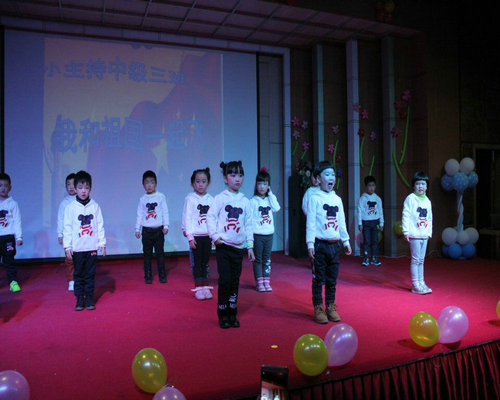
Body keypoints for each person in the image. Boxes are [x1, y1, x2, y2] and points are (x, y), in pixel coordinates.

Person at [207, 161, 255, 329]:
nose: (237, 179)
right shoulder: (220, 198)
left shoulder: (245, 201)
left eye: (240, 175)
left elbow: (248, 224)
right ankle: (222, 312)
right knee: (225, 280)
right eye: (233, 175)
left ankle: (232, 312)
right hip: (223, 247)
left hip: (238, 248)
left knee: (234, 281)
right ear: (225, 178)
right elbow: (210, 217)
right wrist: (214, 236)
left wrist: (250, 245)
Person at [306, 161, 351, 324]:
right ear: (318, 179)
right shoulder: (314, 198)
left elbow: (341, 221)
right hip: (320, 244)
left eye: (333, 174)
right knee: (319, 278)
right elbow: (311, 222)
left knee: (332, 279)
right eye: (327, 174)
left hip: (334, 245)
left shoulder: (337, 199)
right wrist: (310, 243)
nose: (331, 177)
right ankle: (318, 307)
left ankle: (330, 306)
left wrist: (345, 240)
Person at [63, 170, 106, 310]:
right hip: (77, 248)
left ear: (90, 189)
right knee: (78, 274)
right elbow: (67, 228)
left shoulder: (95, 206)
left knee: (90, 275)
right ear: (75, 189)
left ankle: (89, 298)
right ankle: (79, 299)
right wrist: (67, 246)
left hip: (91, 247)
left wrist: (102, 243)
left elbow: (100, 225)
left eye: (86, 188)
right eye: (80, 187)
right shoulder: (70, 208)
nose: (83, 191)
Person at [182, 167, 214, 300]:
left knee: (205, 263)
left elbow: (213, 218)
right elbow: (187, 218)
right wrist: (190, 237)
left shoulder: (211, 199)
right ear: (192, 183)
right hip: (196, 236)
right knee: (197, 263)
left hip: (207, 236)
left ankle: (205, 286)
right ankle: (198, 288)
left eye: (203, 181)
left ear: (208, 183)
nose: (200, 184)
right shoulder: (190, 199)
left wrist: (213, 235)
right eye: (198, 181)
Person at [135, 170, 169, 284]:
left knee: (160, 254)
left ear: (156, 183)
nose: (149, 185)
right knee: (147, 255)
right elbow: (139, 214)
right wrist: (137, 229)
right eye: (147, 182)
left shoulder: (161, 197)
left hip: (158, 230)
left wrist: (166, 226)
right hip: (146, 231)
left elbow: (165, 212)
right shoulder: (142, 199)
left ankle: (162, 275)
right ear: (143, 185)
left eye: (152, 182)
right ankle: (148, 276)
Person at [249, 167, 280, 292]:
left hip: (269, 234)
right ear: (256, 185)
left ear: (268, 186)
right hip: (257, 235)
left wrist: (271, 194)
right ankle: (259, 282)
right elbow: (249, 220)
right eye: (259, 183)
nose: (262, 187)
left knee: (267, 259)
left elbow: (277, 208)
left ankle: (266, 281)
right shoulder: (253, 201)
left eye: (265, 184)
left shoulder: (270, 199)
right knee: (258, 259)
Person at [402, 171, 433, 295]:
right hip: (414, 234)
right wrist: (406, 231)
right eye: (418, 183)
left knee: (421, 260)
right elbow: (406, 215)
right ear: (413, 186)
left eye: (423, 184)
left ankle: (421, 282)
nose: (420, 186)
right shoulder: (410, 198)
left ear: (427, 186)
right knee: (415, 260)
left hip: (424, 234)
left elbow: (429, 218)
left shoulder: (427, 201)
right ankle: (415, 284)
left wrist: (429, 232)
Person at [0, 173, 23, 293]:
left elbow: (17, 221)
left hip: (8, 237)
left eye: (5, 186)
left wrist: (19, 237)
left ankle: (13, 282)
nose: (3, 188)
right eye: (0, 185)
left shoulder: (13, 204)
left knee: (9, 260)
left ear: (10, 188)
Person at [357, 175, 384, 267]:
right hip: (366, 222)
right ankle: (366, 258)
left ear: (375, 186)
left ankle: (374, 258)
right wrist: (360, 223)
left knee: (375, 241)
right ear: (366, 186)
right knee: (367, 241)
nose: (371, 188)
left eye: (373, 185)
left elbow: (380, 211)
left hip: (375, 222)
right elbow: (360, 211)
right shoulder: (363, 198)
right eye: (369, 185)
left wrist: (381, 223)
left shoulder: (378, 198)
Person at [57, 173, 76, 290]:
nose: (71, 187)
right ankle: (71, 280)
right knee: (69, 259)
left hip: (80, 235)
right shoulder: (64, 203)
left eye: (73, 184)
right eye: (68, 184)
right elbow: (60, 219)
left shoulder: (82, 201)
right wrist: (60, 234)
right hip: (68, 236)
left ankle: (80, 279)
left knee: (80, 259)